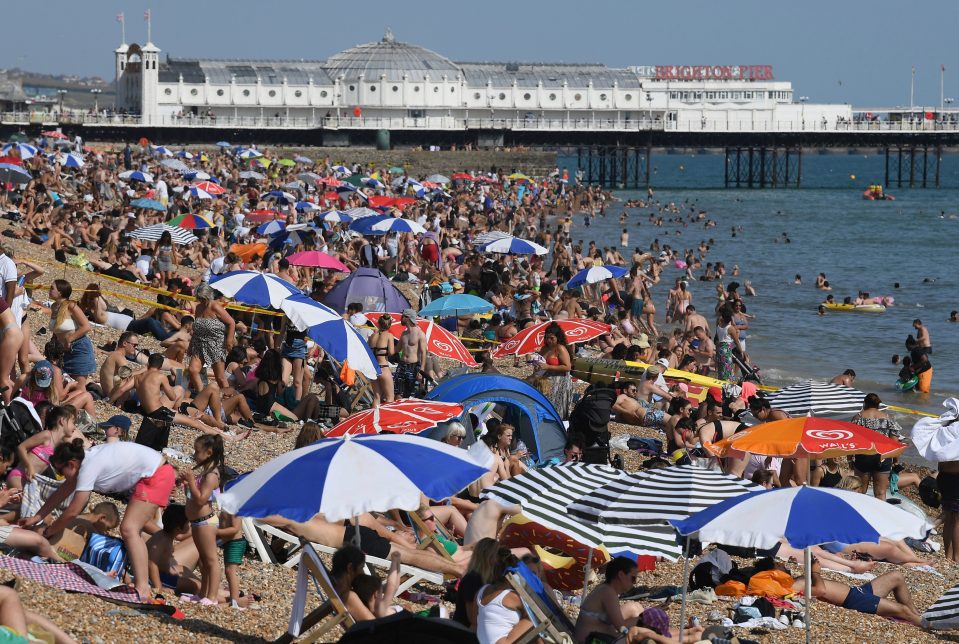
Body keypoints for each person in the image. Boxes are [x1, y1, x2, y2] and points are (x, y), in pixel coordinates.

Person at [25, 440, 177, 601]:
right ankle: (142, 584)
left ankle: (142, 588)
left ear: (71, 464)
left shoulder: (88, 467)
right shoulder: (85, 461)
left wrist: (48, 532)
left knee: (129, 529)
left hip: (157, 474)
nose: (60, 476)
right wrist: (37, 517)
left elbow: (73, 511)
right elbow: (61, 492)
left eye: (60, 472)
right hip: (156, 472)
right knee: (131, 529)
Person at [788, 556, 922, 625]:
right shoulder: (794, 585)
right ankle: (930, 624)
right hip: (854, 601)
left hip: (858, 591)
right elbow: (821, 590)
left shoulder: (796, 580)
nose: (783, 564)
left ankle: (918, 617)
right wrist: (815, 572)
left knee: (896, 576)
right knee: (902, 611)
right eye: (778, 564)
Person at [177, 434, 225, 606]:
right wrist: (186, 485)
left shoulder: (211, 475)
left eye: (197, 451)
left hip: (206, 522)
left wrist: (191, 482)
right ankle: (202, 594)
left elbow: (201, 500)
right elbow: (192, 498)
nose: (194, 454)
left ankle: (211, 597)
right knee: (203, 561)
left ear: (209, 452)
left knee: (211, 560)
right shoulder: (205, 473)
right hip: (198, 522)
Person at [574, 557, 645, 643]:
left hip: (594, 636)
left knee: (634, 607)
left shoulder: (605, 588)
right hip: (591, 640)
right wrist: (644, 619)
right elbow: (621, 627)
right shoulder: (608, 593)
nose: (635, 582)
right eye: (633, 578)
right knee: (643, 620)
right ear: (621, 575)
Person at [851, 393, 904, 499]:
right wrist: (895, 461)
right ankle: (879, 514)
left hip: (863, 456)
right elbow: (895, 442)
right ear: (878, 405)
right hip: (883, 457)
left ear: (865, 403)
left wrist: (849, 459)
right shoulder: (887, 418)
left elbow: (852, 440)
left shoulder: (858, 418)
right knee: (880, 493)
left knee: (860, 490)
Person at [474, 551, 534, 644]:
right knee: (534, 619)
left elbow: (475, 621)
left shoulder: (482, 591)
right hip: (503, 642)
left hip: (483, 641)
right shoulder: (511, 596)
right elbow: (535, 614)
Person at [48, 279, 96, 390]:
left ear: (60, 292)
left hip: (78, 347)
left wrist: (69, 339)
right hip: (62, 350)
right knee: (62, 383)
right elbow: (57, 330)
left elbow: (86, 326)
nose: (49, 290)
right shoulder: (54, 306)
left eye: (52, 288)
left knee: (79, 387)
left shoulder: (70, 306)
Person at [186, 284, 235, 392]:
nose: (201, 301)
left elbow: (231, 323)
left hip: (215, 344)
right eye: (199, 298)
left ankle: (228, 398)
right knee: (192, 370)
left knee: (220, 378)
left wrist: (229, 340)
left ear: (208, 296)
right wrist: (190, 345)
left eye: (203, 299)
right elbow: (197, 328)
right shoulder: (198, 308)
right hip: (199, 343)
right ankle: (202, 395)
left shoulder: (215, 307)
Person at [453, 538, 501, 628]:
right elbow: (472, 617)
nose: (499, 559)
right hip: (465, 630)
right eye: (497, 555)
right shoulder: (473, 579)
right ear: (488, 557)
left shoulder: (487, 578)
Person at [533, 322, 572, 419]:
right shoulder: (544, 348)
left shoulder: (560, 348)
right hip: (545, 382)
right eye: (546, 338)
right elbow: (541, 363)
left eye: (552, 338)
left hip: (560, 383)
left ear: (558, 338)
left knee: (556, 408)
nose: (549, 340)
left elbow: (567, 367)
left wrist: (548, 367)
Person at [395, 309, 426, 398]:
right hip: (402, 365)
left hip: (413, 366)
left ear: (407, 318)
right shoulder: (404, 333)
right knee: (398, 392)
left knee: (412, 395)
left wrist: (421, 371)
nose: (400, 318)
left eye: (402, 316)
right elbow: (397, 349)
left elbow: (424, 353)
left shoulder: (420, 334)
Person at [367, 314, 396, 406]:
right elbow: (391, 352)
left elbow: (368, 351)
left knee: (376, 397)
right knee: (390, 398)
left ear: (378, 323)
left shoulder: (372, 336)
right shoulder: (389, 336)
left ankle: (374, 419)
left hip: (373, 369)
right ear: (389, 325)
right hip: (383, 367)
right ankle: (386, 420)